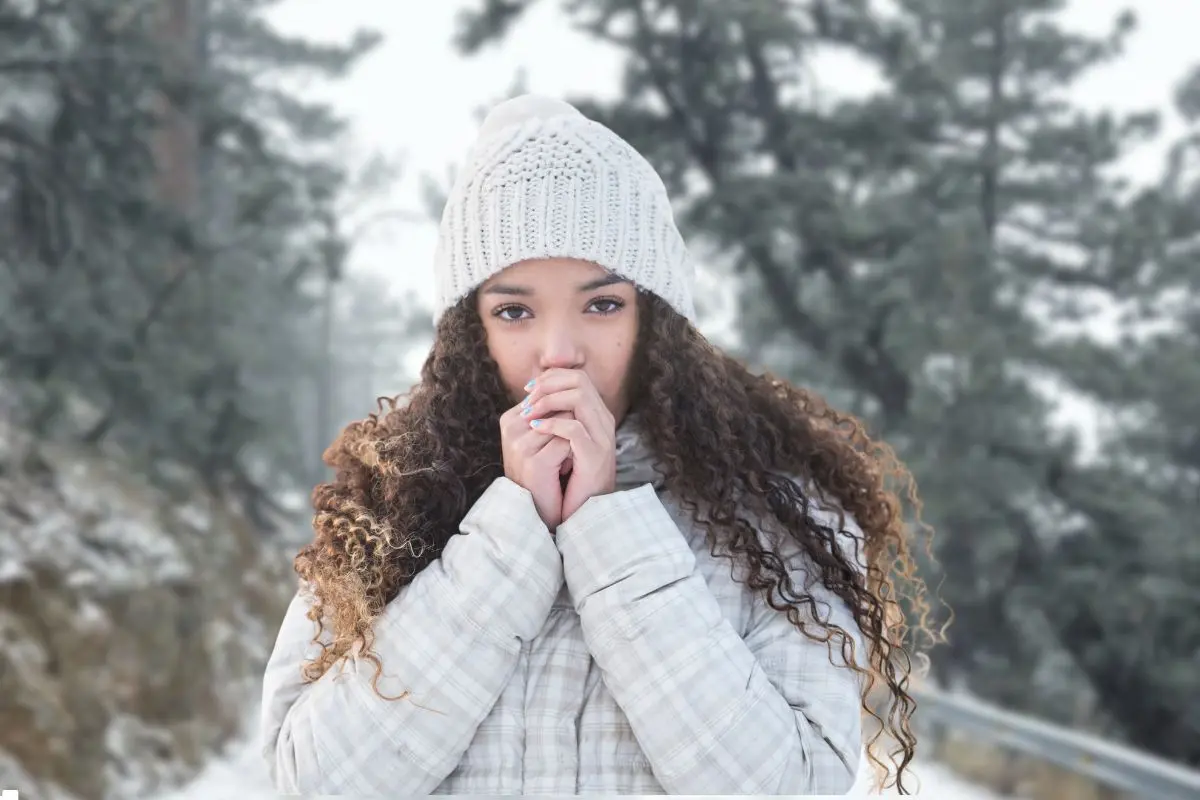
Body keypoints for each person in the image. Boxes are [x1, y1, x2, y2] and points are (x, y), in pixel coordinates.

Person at [259, 93, 935, 796]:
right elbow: (315, 782)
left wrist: (607, 529)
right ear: (471, 333)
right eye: (514, 311)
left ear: (656, 320)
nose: (559, 354)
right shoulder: (391, 506)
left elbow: (792, 787)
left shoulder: (777, 514)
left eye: (602, 305)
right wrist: (508, 538)